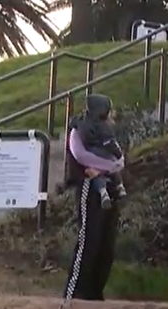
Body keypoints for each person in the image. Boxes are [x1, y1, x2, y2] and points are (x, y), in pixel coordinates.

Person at [62, 94, 124, 302]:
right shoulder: (79, 129)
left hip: (110, 186)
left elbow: (119, 156)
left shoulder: (106, 131)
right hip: (91, 187)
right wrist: (107, 166)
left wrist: (114, 166)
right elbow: (80, 155)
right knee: (89, 239)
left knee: (106, 244)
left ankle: (94, 293)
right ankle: (75, 293)